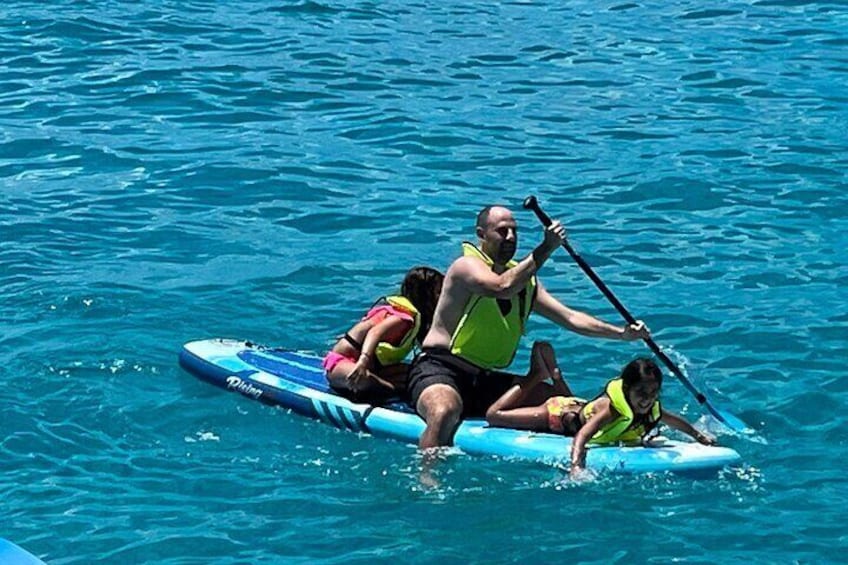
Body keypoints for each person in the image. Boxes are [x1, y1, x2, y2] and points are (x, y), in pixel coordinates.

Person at [407, 204, 651, 449]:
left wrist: (622, 333)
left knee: (562, 404)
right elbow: (502, 288)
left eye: (515, 231)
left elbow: (570, 317)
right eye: (502, 231)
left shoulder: (525, 280)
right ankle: (429, 481)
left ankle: (620, 434)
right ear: (481, 234)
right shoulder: (466, 267)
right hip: (440, 370)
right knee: (444, 412)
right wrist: (546, 247)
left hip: (484, 379)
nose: (511, 238)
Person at [485, 352, 717, 477]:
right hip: (557, 414)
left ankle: (557, 379)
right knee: (494, 416)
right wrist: (577, 466)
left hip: (579, 407)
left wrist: (699, 437)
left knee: (579, 409)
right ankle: (536, 375)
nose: (647, 399)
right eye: (641, 392)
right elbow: (582, 436)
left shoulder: (650, 407)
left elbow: (674, 420)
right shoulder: (613, 409)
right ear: (627, 389)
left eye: (653, 392)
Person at [323, 266, 444, 403]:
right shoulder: (403, 318)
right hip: (342, 364)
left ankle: (386, 384)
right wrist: (363, 361)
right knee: (362, 380)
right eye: (439, 292)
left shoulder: (414, 318)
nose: (442, 297)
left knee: (416, 371)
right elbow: (374, 332)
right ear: (425, 294)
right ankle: (390, 388)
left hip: (374, 369)